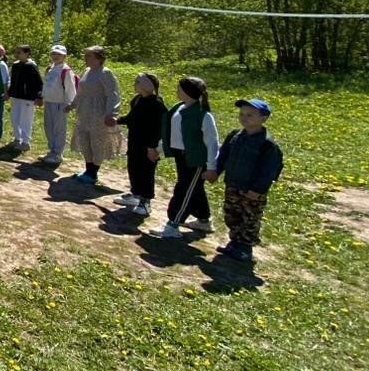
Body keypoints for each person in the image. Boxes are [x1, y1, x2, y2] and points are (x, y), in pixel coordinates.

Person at [206, 98, 285, 263]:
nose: (244, 118)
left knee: (249, 218)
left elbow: (269, 170)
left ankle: (245, 248)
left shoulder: (267, 144)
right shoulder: (235, 136)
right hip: (233, 184)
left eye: (250, 115)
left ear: (264, 118)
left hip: (251, 190)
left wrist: (258, 190)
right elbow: (223, 156)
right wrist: (216, 172)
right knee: (232, 214)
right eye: (242, 114)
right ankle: (234, 242)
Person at [150, 76, 219, 239]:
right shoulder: (178, 108)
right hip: (181, 156)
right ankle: (204, 220)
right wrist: (159, 148)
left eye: (180, 88)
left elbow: (212, 142)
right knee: (194, 188)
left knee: (184, 190)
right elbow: (170, 134)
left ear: (188, 92)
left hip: (196, 159)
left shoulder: (203, 115)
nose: (177, 91)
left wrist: (211, 167)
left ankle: (173, 224)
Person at [114, 72, 168, 218]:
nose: (135, 84)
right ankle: (135, 194)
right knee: (133, 167)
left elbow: (158, 128)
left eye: (137, 82)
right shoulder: (137, 100)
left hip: (148, 145)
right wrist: (117, 120)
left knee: (146, 172)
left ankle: (146, 202)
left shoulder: (157, 104)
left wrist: (153, 148)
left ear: (146, 85)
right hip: (134, 141)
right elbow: (132, 117)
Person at [67, 46, 122, 185]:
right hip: (84, 111)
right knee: (85, 140)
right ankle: (87, 170)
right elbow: (80, 92)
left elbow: (112, 95)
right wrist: (72, 105)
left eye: (89, 56)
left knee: (97, 142)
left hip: (98, 113)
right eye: (86, 56)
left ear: (98, 58)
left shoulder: (105, 73)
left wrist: (111, 113)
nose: (86, 58)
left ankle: (93, 173)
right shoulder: (87, 71)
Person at [40, 44, 77, 165]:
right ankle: (51, 150)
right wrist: (42, 97)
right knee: (48, 127)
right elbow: (46, 85)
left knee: (59, 129)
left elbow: (70, 89)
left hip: (60, 104)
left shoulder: (66, 71)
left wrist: (70, 104)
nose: (56, 56)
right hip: (49, 102)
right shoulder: (50, 68)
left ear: (64, 56)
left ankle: (58, 153)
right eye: (53, 54)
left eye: (59, 54)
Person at [6, 44, 43, 152]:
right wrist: (9, 92)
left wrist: (39, 97)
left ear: (27, 53)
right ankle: (17, 139)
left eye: (19, 52)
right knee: (15, 118)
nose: (16, 54)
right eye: (16, 52)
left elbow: (39, 83)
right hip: (15, 96)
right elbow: (12, 81)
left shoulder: (31, 66)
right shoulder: (15, 65)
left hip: (28, 98)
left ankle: (26, 142)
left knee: (25, 120)